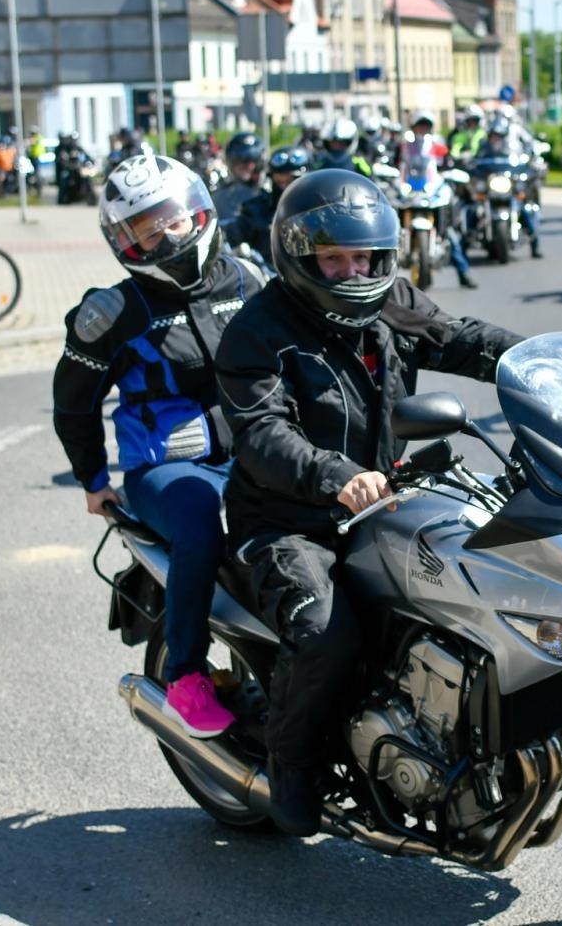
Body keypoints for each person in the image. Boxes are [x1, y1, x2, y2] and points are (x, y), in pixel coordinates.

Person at [214, 168, 521, 836]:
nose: (353, 272)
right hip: (291, 519)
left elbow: (458, 337)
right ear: (300, 257)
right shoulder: (257, 330)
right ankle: (289, 767)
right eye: (335, 258)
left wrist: (544, 363)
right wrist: (338, 475)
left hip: (391, 499)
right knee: (329, 633)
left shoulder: (390, 300)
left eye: (366, 257)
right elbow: (264, 434)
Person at [54, 154, 267, 738]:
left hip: (254, 453)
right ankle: (186, 677)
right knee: (201, 522)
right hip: (168, 470)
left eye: (172, 218)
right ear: (124, 240)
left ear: (198, 211)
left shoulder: (247, 279)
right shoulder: (113, 312)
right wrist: (93, 480)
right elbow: (73, 403)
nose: (166, 233)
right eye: (146, 228)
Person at [402, 111, 478, 287]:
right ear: (413, 128)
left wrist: (451, 171)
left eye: (426, 126)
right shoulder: (405, 146)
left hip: (432, 193)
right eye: (420, 125)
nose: (423, 129)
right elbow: (395, 164)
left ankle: (464, 273)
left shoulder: (437, 145)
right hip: (410, 192)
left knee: (450, 235)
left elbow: (448, 162)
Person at [475, 116, 542, 259]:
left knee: (527, 210)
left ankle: (535, 244)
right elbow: (476, 163)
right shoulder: (484, 148)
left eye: (498, 136)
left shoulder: (512, 149)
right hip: (491, 189)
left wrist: (528, 168)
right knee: (472, 210)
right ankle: (467, 239)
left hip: (508, 187)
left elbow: (523, 163)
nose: (495, 138)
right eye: (493, 135)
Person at [231, 146, 309, 267]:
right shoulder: (255, 210)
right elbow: (233, 236)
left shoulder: (320, 211)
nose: (284, 188)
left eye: (291, 181)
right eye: (280, 182)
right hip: (268, 276)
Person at [212, 131, 267, 244]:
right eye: (238, 161)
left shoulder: (269, 193)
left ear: (259, 162)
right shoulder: (222, 196)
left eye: (249, 161)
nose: (243, 166)